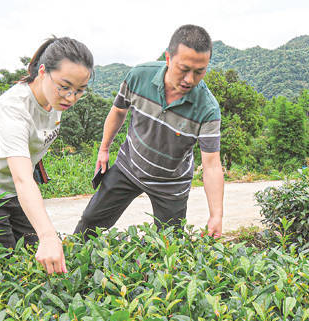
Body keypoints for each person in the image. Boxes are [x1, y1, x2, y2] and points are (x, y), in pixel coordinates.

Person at [0, 37, 93, 274]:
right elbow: (22, 178)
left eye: (79, 91)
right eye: (64, 86)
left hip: (15, 190)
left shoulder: (54, 102)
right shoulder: (14, 110)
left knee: (34, 260)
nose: (71, 97)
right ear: (43, 72)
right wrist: (49, 236)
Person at [74, 25, 224, 240]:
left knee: (168, 246)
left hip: (171, 185)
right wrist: (104, 148)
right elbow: (118, 111)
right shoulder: (139, 76)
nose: (189, 79)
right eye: (184, 69)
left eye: (199, 71)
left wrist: (216, 214)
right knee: (89, 223)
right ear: (168, 58)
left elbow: (211, 165)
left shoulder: (208, 108)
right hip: (129, 167)